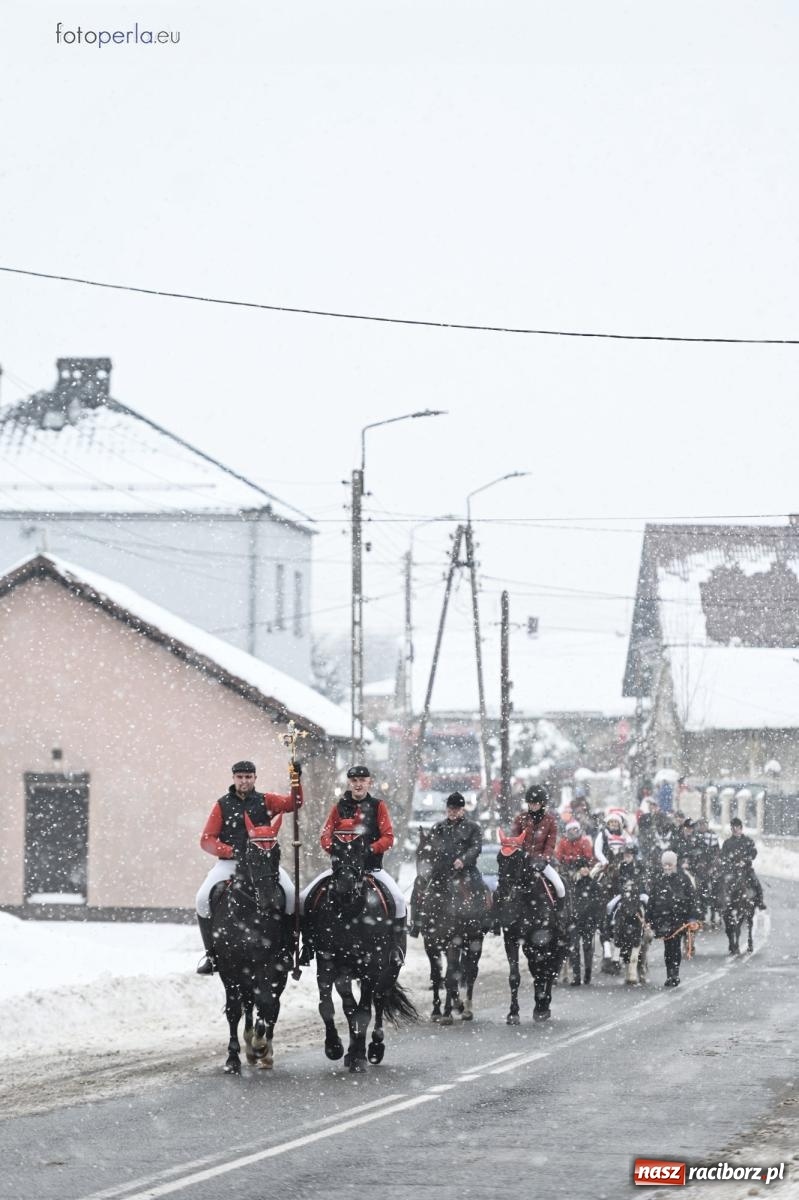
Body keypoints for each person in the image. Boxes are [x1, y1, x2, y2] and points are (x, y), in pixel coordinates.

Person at [195, 759, 302, 975]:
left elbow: (294, 803)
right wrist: (231, 851)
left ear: (255, 778)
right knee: (202, 899)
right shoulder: (222, 804)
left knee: (291, 895)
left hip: (263, 864)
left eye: (248, 777)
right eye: (240, 777)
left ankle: (288, 949)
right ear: (234, 778)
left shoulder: (266, 800)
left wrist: (297, 780)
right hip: (231, 864)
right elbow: (207, 839)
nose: (244, 781)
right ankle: (212, 955)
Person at [299, 766, 406, 963]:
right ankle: (308, 945)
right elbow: (325, 836)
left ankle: (395, 948)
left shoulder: (377, 806)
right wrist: (337, 850)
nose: (358, 784)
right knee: (305, 898)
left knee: (399, 900)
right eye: (354, 780)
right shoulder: (338, 807)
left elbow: (388, 837)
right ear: (349, 783)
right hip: (341, 869)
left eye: (362, 780)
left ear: (369, 783)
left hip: (371, 869)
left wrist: (370, 849)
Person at [647, 850, 700, 987]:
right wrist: (649, 918)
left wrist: (692, 917)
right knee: (667, 948)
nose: (667, 867)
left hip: (678, 919)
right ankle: (669, 973)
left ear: (675, 864)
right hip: (662, 919)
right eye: (665, 864)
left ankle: (674, 973)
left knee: (675, 947)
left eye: (670, 864)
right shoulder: (658, 880)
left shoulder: (684, 879)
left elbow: (692, 899)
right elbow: (651, 900)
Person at [510, 783, 566, 899]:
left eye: (535, 804)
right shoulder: (520, 819)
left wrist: (543, 859)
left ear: (542, 804)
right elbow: (515, 840)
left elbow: (550, 844)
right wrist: (520, 855)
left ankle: (559, 915)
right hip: (523, 862)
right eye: (530, 804)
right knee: (507, 887)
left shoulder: (551, 821)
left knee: (560, 888)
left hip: (541, 863)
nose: (533, 806)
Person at [720, 818, 766, 909]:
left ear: (741, 828)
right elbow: (723, 856)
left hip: (746, 869)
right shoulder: (727, 843)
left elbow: (753, 852)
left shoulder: (748, 841)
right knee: (722, 883)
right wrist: (731, 862)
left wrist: (746, 860)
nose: (734, 829)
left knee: (756, 883)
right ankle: (722, 903)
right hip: (732, 871)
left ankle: (760, 902)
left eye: (736, 827)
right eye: (732, 827)